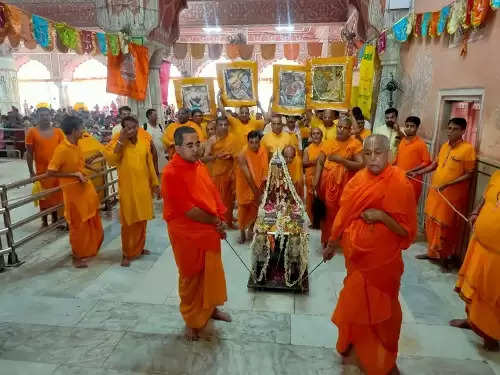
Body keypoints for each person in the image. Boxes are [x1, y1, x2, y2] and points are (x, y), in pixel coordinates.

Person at [323, 134, 417, 375]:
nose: (373, 158)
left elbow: (406, 231)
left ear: (389, 155)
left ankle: (382, 357)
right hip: (357, 258)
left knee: (383, 310)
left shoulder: (399, 183)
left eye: (378, 153)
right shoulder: (357, 182)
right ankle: (354, 341)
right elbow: (343, 214)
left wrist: (382, 217)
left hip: (383, 262)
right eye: (368, 153)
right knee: (355, 302)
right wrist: (332, 242)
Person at [162, 126, 231, 341]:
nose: (195, 149)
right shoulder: (171, 173)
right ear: (178, 148)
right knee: (191, 276)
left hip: (208, 230)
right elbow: (189, 210)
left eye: (197, 144)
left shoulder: (199, 165)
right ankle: (192, 320)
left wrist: (220, 218)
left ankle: (210, 309)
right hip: (186, 233)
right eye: (189, 145)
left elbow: (211, 192)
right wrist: (215, 220)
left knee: (210, 273)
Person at [411, 118, 476, 269]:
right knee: (431, 222)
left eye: (454, 129)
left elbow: (469, 174)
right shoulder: (444, 146)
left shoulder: (468, 149)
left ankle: (445, 257)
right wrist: (418, 172)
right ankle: (431, 253)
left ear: (462, 131)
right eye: (449, 128)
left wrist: (448, 184)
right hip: (436, 192)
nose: (450, 131)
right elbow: (435, 164)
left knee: (446, 227)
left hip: (451, 197)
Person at [450, 171, 500, 351]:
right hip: (479, 245)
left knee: (491, 295)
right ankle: (472, 320)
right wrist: (475, 212)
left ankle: (491, 335)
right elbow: (486, 197)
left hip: (497, 256)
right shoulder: (497, 175)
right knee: (473, 286)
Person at [47, 116, 103, 268]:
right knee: (78, 226)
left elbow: (79, 163)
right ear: (73, 131)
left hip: (84, 190)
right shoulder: (62, 149)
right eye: (80, 128)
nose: (83, 131)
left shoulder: (77, 145)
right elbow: (50, 172)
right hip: (73, 195)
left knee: (91, 220)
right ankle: (77, 255)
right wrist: (73, 175)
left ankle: (89, 250)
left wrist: (91, 168)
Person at [104, 116, 160, 267]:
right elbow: (111, 159)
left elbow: (149, 165)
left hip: (143, 189)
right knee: (128, 223)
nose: (131, 130)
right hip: (128, 190)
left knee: (142, 220)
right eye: (127, 128)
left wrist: (155, 184)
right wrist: (122, 140)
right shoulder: (119, 143)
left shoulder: (143, 142)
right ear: (123, 129)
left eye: (134, 127)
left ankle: (140, 248)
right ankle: (127, 253)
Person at [313, 118, 364, 246]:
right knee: (328, 211)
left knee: (344, 211)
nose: (340, 130)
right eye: (339, 127)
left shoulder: (355, 143)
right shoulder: (328, 142)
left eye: (344, 128)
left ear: (349, 130)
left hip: (346, 183)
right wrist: (316, 180)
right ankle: (328, 238)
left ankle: (341, 239)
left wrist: (342, 161)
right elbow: (320, 161)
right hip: (327, 182)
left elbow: (361, 164)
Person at [25, 107, 65, 227]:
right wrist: (31, 172)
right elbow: (29, 153)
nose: (45, 117)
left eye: (47, 115)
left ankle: (55, 218)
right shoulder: (32, 132)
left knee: (56, 196)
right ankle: (44, 220)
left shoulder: (58, 131)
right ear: (37, 117)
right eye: (42, 115)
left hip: (57, 171)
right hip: (42, 172)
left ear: (50, 116)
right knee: (43, 197)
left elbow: (64, 149)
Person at [202, 117, 239, 228]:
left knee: (230, 199)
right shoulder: (212, 140)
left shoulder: (233, 138)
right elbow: (204, 158)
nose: (223, 127)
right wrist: (216, 156)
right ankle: (220, 221)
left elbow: (238, 155)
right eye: (221, 125)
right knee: (220, 199)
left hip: (232, 172)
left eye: (225, 125)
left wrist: (232, 156)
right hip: (218, 174)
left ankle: (228, 220)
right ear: (216, 127)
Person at [235, 130, 269, 243]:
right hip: (244, 185)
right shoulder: (242, 154)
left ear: (260, 142)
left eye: (256, 142)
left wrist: (262, 187)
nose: (254, 145)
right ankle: (241, 232)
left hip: (258, 184)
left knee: (255, 209)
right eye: (251, 142)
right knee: (243, 209)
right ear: (247, 142)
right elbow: (248, 176)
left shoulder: (263, 150)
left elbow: (265, 169)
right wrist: (257, 193)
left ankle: (250, 229)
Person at [394, 116, 431, 203]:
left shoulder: (421, 144)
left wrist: (411, 171)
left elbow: (426, 162)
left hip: (413, 181)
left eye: (412, 126)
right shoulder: (402, 141)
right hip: (399, 179)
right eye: (407, 126)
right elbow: (398, 159)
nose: (409, 128)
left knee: (409, 207)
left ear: (417, 128)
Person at [303, 127, 324, 226]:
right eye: (314, 134)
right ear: (311, 136)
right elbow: (304, 163)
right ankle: (312, 222)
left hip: (322, 177)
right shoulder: (307, 149)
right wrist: (315, 161)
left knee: (322, 199)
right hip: (310, 178)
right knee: (310, 201)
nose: (316, 135)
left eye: (318, 133)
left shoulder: (326, 147)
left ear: (321, 135)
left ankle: (321, 222)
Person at [78, 131, 106, 202]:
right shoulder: (93, 140)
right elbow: (104, 151)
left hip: (83, 177)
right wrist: (93, 157)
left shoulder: (74, 144)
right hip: (96, 174)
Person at [144, 108, 167, 173]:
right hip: (152, 157)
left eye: (156, 115)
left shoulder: (160, 126)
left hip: (162, 156)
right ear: (149, 116)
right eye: (155, 115)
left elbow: (165, 137)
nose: (157, 116)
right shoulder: (144, 127)